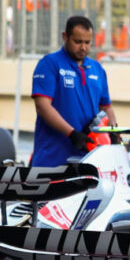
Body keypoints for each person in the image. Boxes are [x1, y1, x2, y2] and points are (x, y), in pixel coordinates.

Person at [30, 16, 118, 167]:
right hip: (52, 160)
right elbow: (43, 107)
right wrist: (72, 133)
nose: (83, 47)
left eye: (87, 42)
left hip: (89, 160)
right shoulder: (49, 64)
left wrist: (113, 130)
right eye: (78, 42)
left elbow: (106, 107)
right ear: (65, 37)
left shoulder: (97, 69)